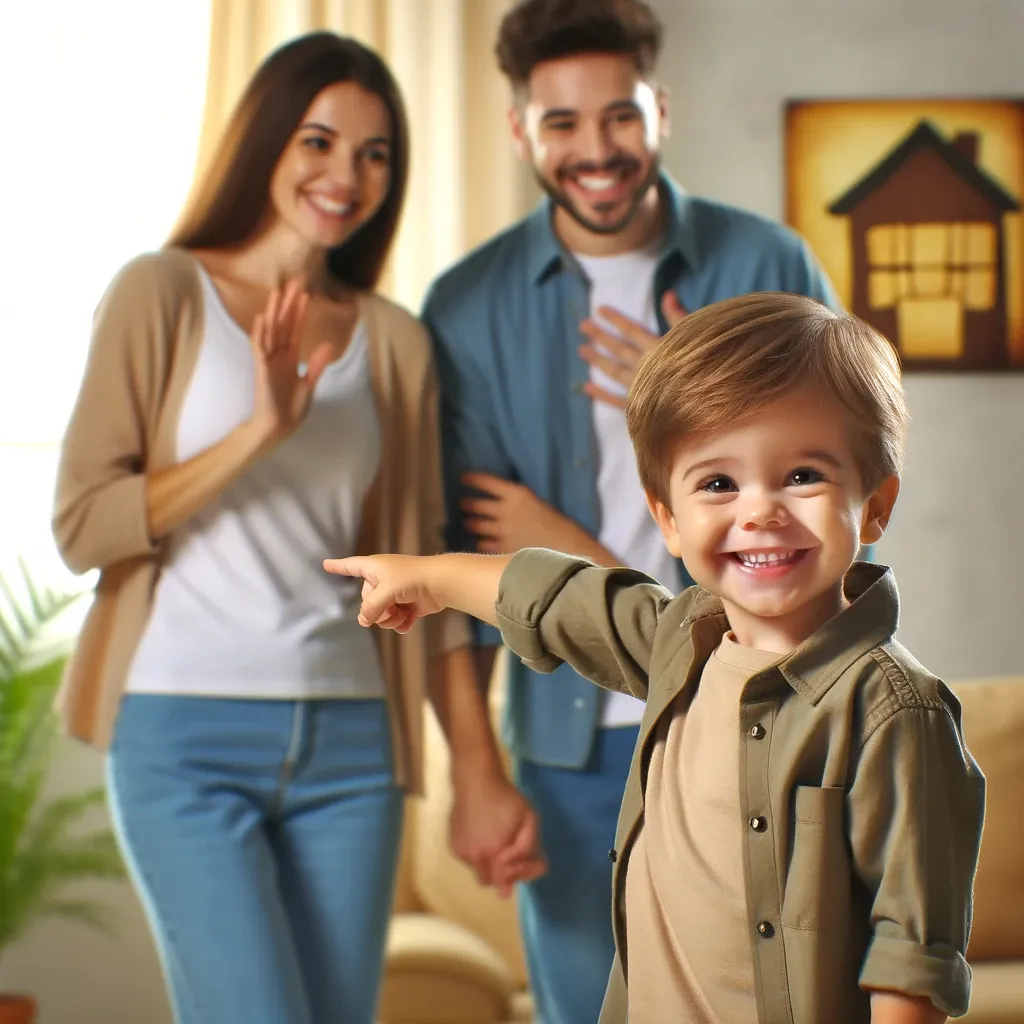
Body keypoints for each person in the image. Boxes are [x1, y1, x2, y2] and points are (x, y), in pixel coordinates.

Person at [51, 32, 542, 1024]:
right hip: (183, 736)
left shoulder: (392, 342)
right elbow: (83, 525)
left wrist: (480, 776)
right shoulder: (161, 293)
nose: (345, 175)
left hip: (351, 745)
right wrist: (259, 431)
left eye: (375, 154)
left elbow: (425, 578)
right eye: (319, 142)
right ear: (268, 140)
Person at [327, 291, 986, 1024]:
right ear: (667, 519)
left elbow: (910, 956)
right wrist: (431, 577)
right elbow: (560, 596)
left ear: (874, 505)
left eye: (803, 475)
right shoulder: (682, 643)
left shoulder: (896, 712)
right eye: (718, 483)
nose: (759, 511)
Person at [421, 0, 840, 1017]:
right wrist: (474, 771)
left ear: (660, 108)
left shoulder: (769, 266)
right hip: (570, 741)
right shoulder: (467, 305)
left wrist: (690, 394)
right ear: (520, 129)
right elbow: (457, 555)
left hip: (761, 715)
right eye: (561, 123)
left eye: (619, 116)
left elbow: (836, 506)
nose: (595, 150)